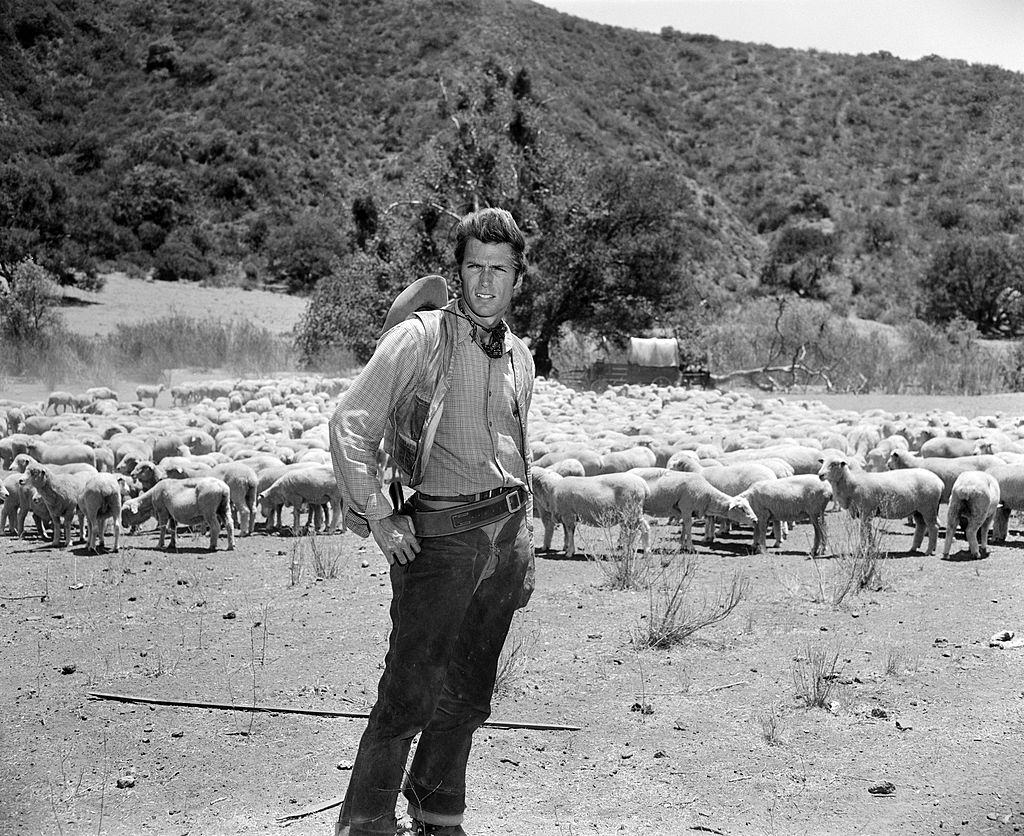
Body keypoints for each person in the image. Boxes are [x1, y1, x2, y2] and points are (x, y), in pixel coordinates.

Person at [328, 208, 536, 836]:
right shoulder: (420, 339)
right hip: (442, 537)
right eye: (475, 268)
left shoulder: (520, 355)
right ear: (459, 271)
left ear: (517, 279)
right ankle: (364, 820)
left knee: (470, 692)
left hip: (504, 535)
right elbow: (350, 421)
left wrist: (524, 540)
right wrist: (382, 516)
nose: (485, 283)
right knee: (411, 690)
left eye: (499, 270)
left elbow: (518, 445)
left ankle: (437, 808)